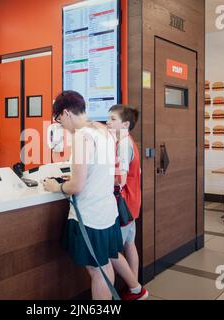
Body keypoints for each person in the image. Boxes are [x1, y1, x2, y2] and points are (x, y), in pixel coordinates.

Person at [43, 91, 147, 300]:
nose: (60, 124)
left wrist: (56, 187)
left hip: (90, 217)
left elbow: (77, 185)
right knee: (104, 265)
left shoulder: (83, 136)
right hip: (107, 213)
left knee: (97, 271)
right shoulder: (102, 130)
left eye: (59, 119)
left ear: (65, 113)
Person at [107, 105, 142, 298]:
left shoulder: (123, 145)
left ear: (125, 124)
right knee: (130, 244)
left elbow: (120, 179)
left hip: (124, 205)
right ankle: (133, 287)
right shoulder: (128, 142)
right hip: (132, 204)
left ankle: (135, 288)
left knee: (111, 252)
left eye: (112, 119)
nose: (108, 122)